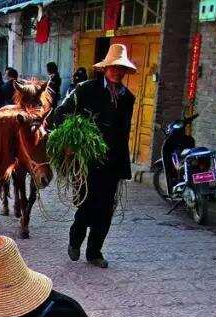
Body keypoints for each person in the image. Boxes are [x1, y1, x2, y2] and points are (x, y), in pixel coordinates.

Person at [53, 44, 136, 269]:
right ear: (105, 68)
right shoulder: (85, 89)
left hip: (113, 163)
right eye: (114, 67)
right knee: (87, 205)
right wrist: (70, 143)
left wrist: (121, 164)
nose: (117, 72)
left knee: (106, 210)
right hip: (87, 161)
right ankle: (75, 240)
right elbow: (60, 115)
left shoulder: (128, 98)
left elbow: (124, 132)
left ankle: (94, 252)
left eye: (121, 68)